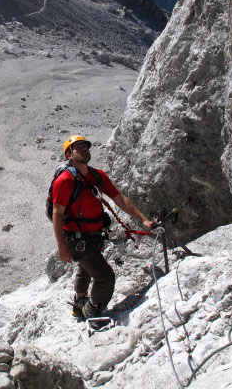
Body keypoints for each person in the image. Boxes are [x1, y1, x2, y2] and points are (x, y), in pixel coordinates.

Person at [52, 135, 154, 324]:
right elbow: (57, 214)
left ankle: (79, 305)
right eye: (78, 147)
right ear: (68, 155)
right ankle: (93, 311)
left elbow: (120, 199)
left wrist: (144, 219)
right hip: (76, 238)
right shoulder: (65, 180)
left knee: (86, 267)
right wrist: (62, 246)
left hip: (94, 234)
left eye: (85, 146)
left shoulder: (98, 175)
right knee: (106, 278)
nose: (84, 149)